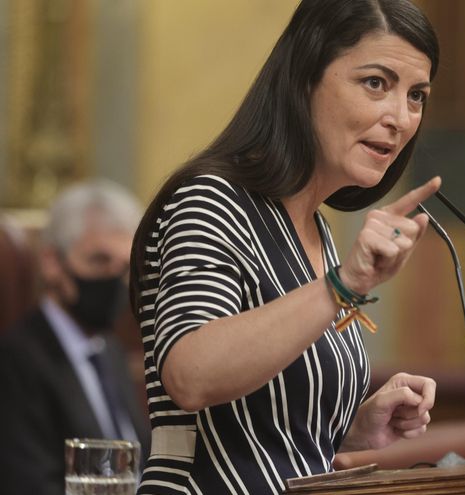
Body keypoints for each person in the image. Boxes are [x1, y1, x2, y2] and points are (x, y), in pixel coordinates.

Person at [128, 0, 442, 493]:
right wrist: (344, 284)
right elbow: (189, 375)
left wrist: (355, 427)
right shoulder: (212, 200)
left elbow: (264, 427)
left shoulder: (315, 230)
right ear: (303, 80)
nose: (400, 118)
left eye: (417, 95)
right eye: (376, 83)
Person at [0, 179, 151, 495]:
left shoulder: (109, 350)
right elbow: (29, 483)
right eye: (99, 260)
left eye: (124, 267)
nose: (114, 280)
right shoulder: (16, 360)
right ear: (52, 262)